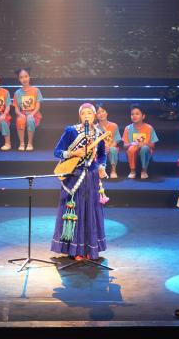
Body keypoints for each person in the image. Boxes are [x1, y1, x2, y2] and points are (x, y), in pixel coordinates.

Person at [51, 103, 108, 261]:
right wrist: (73, 153)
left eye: (90, 113)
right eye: (83, 113)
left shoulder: (99, 134)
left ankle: (90, 248)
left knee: (90, 212)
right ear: (80, 116)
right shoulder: (71, 131)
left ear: (94, 116)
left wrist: (102, 166)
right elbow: (57, 152)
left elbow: (102, 155)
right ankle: (75, 250)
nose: (86, 116)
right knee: (76, 212)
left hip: (91, 177)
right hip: (74, 176)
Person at [122, 104, 159, 179]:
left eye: (137, 114)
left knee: (144, 148)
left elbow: (152, 145)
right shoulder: (128, 128)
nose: (134, 116)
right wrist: (131, 144)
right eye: (132, 114)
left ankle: (144, 171)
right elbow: (125, 146)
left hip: (145, 150)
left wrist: (144, 144)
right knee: (131, 148)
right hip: (132, 151)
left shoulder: (149, 128)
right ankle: (132, 171)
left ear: (143, 116)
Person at [13, 68, 43, 151]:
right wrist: (20, 114)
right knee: (20, 120)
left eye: (26, 76)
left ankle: (30, 143)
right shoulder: (17, 93)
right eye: (21, 77)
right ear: (19, 79)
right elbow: (16, 109)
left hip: (34, 114)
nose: (24, 79)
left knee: (30, 119)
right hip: (23, 114)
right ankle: (22, 143)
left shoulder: (36, 90)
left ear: (29, 77)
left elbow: (38, 106)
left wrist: (32, 114)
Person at [96, 104, 122, 179]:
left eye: (103, 111)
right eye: (98, 113)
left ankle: (113, 170)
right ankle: (100, 170)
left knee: (113, 149)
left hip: (111, 147)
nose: (101, 114)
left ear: (107, 112)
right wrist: (102, 149)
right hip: (99, 149)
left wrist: (109, 147)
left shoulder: (114, 125)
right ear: (96, 116)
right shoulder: (95, 127)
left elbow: (116, 140)